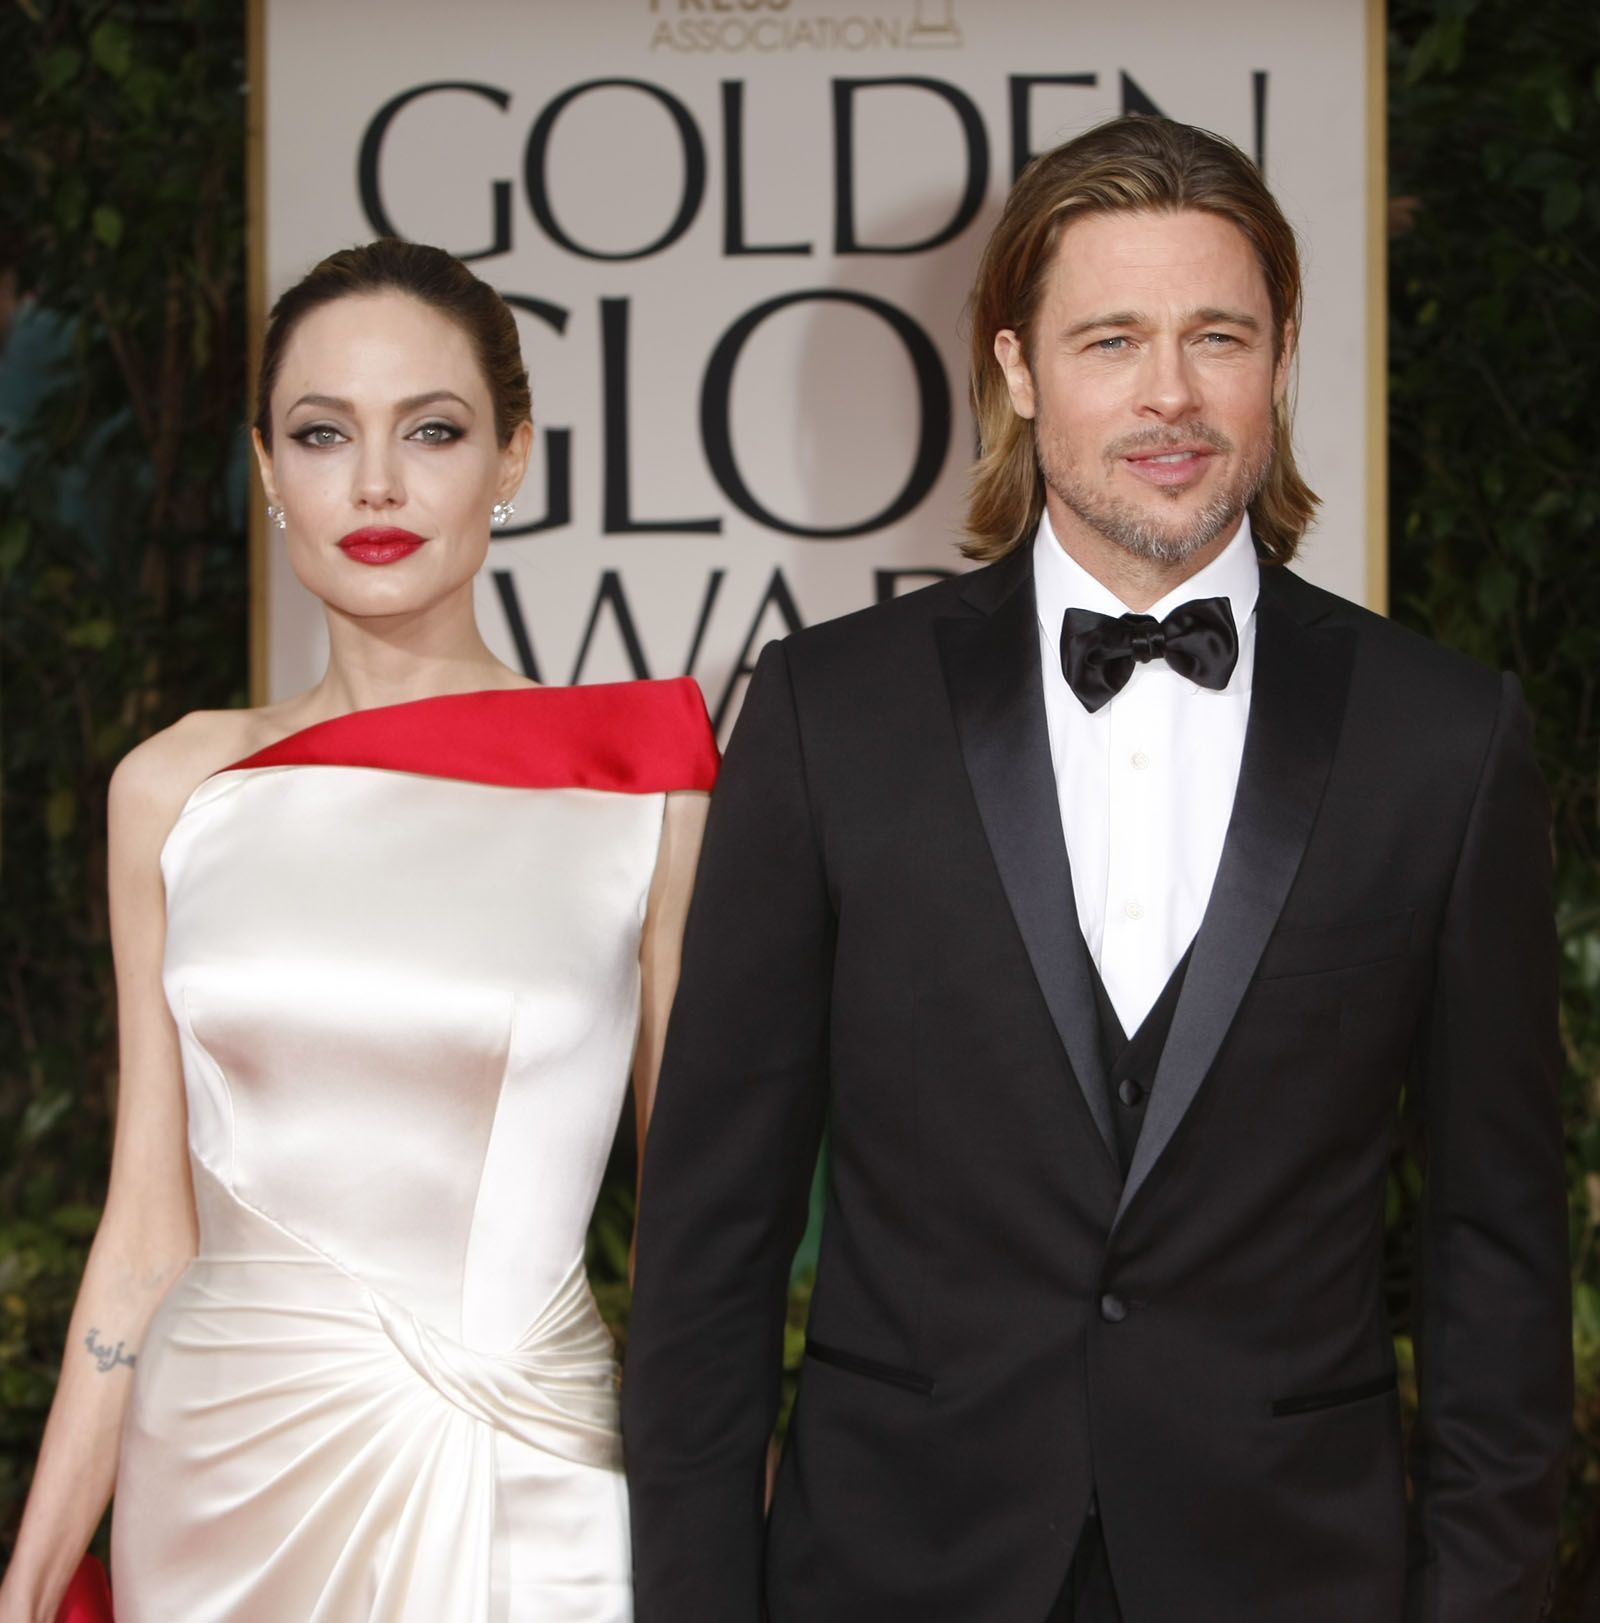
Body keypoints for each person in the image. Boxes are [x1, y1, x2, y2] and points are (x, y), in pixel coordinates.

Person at [623, 115, 1571, 1621]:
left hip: (1294, 1576)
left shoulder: (1441, 740)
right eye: (1112, 340)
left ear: (1279, 358)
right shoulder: (828, 716)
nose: (1171, 394)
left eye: (1218, 336)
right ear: (1017, 370)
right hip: (893, 1571)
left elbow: (1499, 1253)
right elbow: (709, 1245)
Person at [0, 239, 716, 1623]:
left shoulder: (644, 788)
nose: (376, 484)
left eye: (432, 431)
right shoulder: (175, 787)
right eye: (323, 435)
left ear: (511, 457)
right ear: (268, 471)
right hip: (206, 1484)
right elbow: (150, 1218)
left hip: (520, 1475)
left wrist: (732, 1533)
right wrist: (33, 1573)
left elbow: (702, 1237)